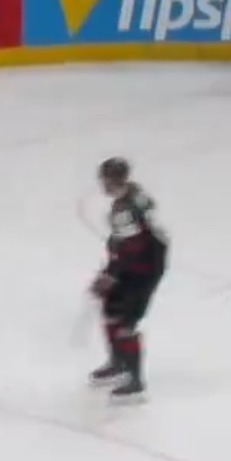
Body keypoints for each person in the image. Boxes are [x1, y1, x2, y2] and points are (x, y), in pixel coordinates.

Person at [88, 157, 168, 401]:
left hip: (142, 269)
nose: (101, 184)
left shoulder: (124, 210)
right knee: (111, 309)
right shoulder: (136, 195)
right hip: (136, 264)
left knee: (126, 321)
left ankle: (135, 381)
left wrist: (111, 275)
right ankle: (118, 362)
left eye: (104, 179)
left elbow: (132, 247)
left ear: (112, 180)